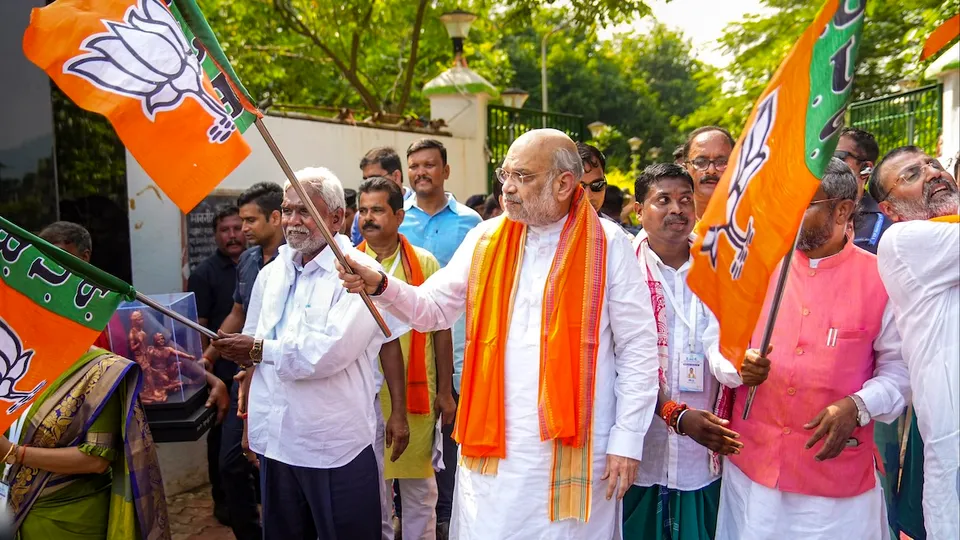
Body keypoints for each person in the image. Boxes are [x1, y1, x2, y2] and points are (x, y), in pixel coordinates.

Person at [339, 128, 660, 539]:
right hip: (493, 448)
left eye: (522, 176)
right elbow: (431, 309)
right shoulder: (486, 238)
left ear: (563, 183)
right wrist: (381, 284)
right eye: (504, 174)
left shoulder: (609, 245)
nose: (506, 188)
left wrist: (627, 440)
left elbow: (638, 349)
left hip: (576, 450)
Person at [714, 158, 910, 539]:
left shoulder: (881, 278)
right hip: (753, 473)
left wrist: (858, 405)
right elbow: (716, 341)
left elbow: (900, 372)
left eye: (802, 204)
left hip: (834, 484)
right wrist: (738, 363)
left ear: (842, 210)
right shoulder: (757, 265)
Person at [211, 167, 410, 540]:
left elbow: (329, 354)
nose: (292, 221)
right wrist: (251, 422)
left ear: (336, 217)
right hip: (278, 441)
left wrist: (256, 348)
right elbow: (255, 346)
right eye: (287, 210)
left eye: (305, 211)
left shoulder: (359, 273)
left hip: (334, 445)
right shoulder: (271, 273)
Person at [624, 164, 743, 540]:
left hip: (705, 447)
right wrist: (674, 415)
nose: (677, 209)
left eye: (685, 200)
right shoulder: (621, 267)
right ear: (638, 211)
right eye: (663, 200)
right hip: (641, 448)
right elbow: (614, 362)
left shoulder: (721, 264)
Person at [357, 177, 457, 540]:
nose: (368, 218)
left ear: (399, 216)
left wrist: (445, 392)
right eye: (363, 210)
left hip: (418, 400)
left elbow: (442, 330)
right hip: (364, 398)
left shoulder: (425, 264)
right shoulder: (347, 265)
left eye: (377, 210)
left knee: (420, 496)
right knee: (374, 496)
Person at [871, 146, 960, 540]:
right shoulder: (903, 241)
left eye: (934, 165)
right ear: (889, 209)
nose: (933, 173)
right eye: (912, 175)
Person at [0, 346, 170, 539]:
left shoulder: (101, 370)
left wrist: (14, 453)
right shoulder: (20, 358)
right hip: (10, 506)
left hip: (69, 516)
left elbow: (96, 461)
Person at [399, 138, 482, 536]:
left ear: (446, 171)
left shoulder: (472, 225)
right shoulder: (395, 220)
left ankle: (451, 519)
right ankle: (413, 515)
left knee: (454, 439)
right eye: (414, 165)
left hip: (460, 352)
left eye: (429, 165)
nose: (421, 173)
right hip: (403, 352)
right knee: (410, 437)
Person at [201, 181, 284, 540]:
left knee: (276, 466)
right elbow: (238, 312)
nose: (244, 228)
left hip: (281, 374)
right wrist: (208, 355)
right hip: (245, 378)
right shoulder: (249, 260)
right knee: (230, 464)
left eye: (250, 220)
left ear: (275, 217)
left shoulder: (297, 260)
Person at [187, 204, 245, 525]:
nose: (233, 235)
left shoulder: (259, 266)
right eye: (226, 230)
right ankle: (222, 501)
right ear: (215, 235)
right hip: (219, 372)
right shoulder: (203, 274)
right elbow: (198, 326)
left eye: (238, 228)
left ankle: (250, 497)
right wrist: (205, 371)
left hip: (253, 366)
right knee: (220, 440)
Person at [38, 222, 111, 350]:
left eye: (59, 255)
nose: (51, 264)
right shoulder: (31, 299)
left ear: (84, 257)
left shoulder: (107, 306)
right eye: (45, 255)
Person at [835, 128, 890, 254]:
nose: (828, 164)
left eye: (837, 157)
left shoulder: (885, 225)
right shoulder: (806, 213)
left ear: (866, 168)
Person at [351, 147, 415, 245]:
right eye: (366, 180)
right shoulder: (360, 217)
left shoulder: (417, 209)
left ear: (396, 176)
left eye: (375, 178)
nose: (371, 184)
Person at [683, 127, 735, 219]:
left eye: (722, 161)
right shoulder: (669, 226)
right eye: (701, 162)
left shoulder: (753, 222)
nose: (711, 170)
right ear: (685, 168)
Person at [577, 142, 608, 212]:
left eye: (597, 185)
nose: (588, 196)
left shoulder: (609, 223)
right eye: (579, 187)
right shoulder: (548, 222)